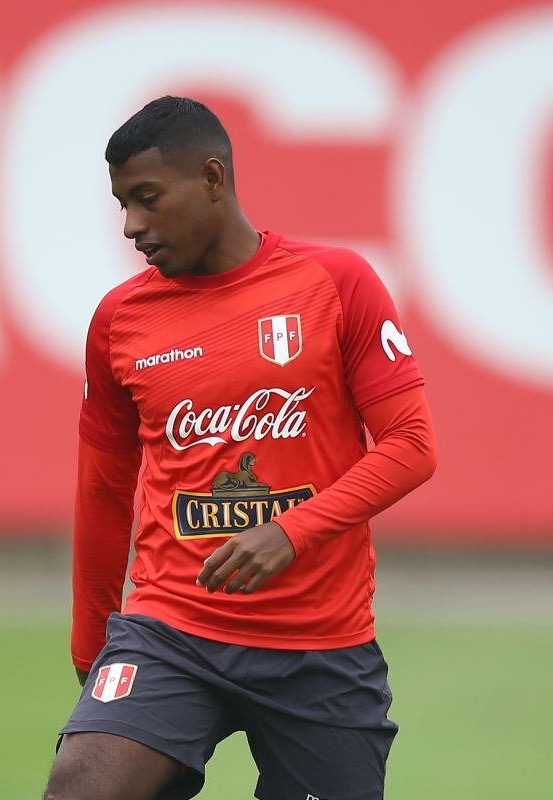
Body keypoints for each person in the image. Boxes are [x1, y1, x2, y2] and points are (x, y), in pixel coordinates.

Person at [44, 96, 437, 800]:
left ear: (213, 178)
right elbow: (103, 490)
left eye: (148, 199)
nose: (132, 226)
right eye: (122, 204)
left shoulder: (335, 283)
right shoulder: (119, 320)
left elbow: (412, 445)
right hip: (172, 631)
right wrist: (91, 645)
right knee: (82, 785)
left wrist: (291, 532)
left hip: (319, 644)